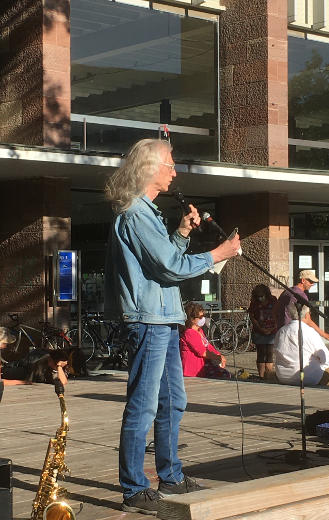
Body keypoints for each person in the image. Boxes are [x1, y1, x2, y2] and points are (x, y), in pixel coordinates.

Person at [104, 138, 241, 514]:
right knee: (143, 406)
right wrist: (218, 253)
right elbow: (169, 269)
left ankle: (171, 475)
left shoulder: (147, 213)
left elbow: (164, 264)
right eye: (171, 164)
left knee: (172, 400)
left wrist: (181, 234)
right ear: (150, 167)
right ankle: (134, 488)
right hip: (149, 321)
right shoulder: (134, 213)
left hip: (163, 319)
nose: (175, 171)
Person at [274, 303, 329, 386]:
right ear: (307, 315)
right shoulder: (309, 331)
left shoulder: (281, 331)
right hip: (308, 376)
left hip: (283, 376)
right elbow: (326, 359)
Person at [274, 269, 329, 343]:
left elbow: (274, 311)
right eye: (311, 281)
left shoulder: (287, 291)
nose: (312, 284)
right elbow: (307, 320)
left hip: (283, 332)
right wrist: (325, 335)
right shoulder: (301, 295)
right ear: (303, 280)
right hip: (293, 333)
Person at [180, 302, 231, 380]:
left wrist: (219, 354)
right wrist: (217, 357)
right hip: (192, 372)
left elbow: (207, 345)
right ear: (192, 319)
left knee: (224, 374)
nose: (203, 318)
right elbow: (202, 352)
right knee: (223, 375)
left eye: (203, 316)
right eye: (200, 317)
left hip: (201, 369)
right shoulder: (190, 332)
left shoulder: (199, 330)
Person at [248, 284, 277, 380]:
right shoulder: (254, 302)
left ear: (266, 294)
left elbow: (278, 314)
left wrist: (273, 328)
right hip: (259, 331)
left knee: (269, 353)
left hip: (272, 330)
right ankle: (261, 376)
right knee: (261, 353)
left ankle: (268, 376)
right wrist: (260, 328)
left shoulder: (273, 300)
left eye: (262, 296)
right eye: (258, 296)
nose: (260, 298)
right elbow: (251, 315)